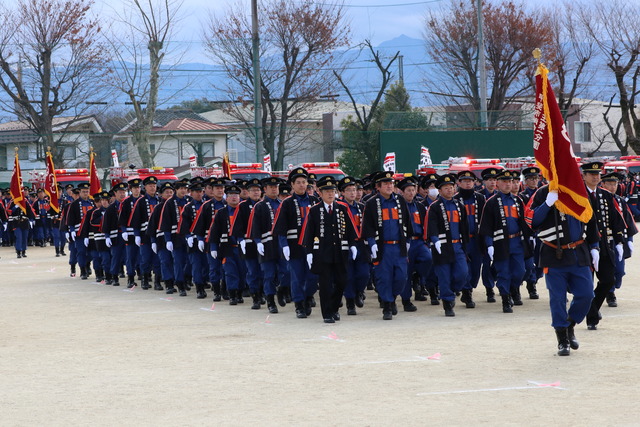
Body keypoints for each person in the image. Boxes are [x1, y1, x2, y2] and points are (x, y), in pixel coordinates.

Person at [526, 184, 599, 356]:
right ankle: (562, 339)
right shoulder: (543, 192)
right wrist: (547, 203)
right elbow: (532, 220)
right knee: (558, 299)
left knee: (586, 294)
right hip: (553, 254)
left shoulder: (577, 189)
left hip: (578, 253)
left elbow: (590, 218)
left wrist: (595, 246)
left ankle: (570, 324)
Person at [300, 176, 358, 323]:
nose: (330, 194)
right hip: (322, 254)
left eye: (332, 191)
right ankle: (327, 313)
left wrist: (353, 245)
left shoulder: (342, 208)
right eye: (327, 191)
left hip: (340, 252)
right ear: (320, 193)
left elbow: (350, 229)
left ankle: (334, 308)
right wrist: (309, 253)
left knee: (342, 281)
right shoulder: (314, 210)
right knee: (325, 284)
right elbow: (309, 232)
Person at [361, 171, 413, 320]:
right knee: (384, 278)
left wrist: (408, 240)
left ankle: (392, 297)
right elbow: (368, 226)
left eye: (391, 183)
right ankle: (387, 306)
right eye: (386, 184)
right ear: (378, 187)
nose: (389, 186)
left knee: (401, 277)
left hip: (398, 247)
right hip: (382, 247)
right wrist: (371, 243)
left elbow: (407, 223)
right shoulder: (371, 203)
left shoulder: (400, 201)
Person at [479, 170, 532, 313]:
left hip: (517, 242)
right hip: (500, 243)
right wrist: (489, 244)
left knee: (520, 271)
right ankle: (505, 299)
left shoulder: (518, 200)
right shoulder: (491, 203)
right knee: (504, 272)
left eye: (510, 181)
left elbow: (524, 222)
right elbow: (486, 226)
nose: (508, 184)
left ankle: (514, 288)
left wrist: (529, 237)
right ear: (498, 184)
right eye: (505, 182)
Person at [581, 162, 626, 330]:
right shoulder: (578, 195)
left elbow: (615, 220)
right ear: (584, 176)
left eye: (597, 174)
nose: (595, 177)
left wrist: (619, 240)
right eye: (591, 174)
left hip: (604, 246)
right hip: (584, 247)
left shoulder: (605, 195)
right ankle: (591, 317)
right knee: (586, 285)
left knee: (608, 280)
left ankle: (592, 308)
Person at [273, 167, 319, 318]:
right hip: (294, 246)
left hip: (312, 247)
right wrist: (284, 245)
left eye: (304, 182)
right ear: (292, 185)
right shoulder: (287, 203)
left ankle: (307, 297)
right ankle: (299, 304)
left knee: (313, 276)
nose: (301, 185)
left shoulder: (314, 201)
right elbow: (280, 228)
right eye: (298, 182)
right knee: (297, 276)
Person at [427, 173, 469, 317]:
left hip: (458, 246)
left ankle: (452, 291)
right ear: (440, 190)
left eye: (451, 187)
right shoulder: (435, 207)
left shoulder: (459, 205)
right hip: (442, 246)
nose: (449, 190)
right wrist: (435, 240)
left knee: (462, 273)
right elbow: (431, 225)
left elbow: (464, 226)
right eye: (446, 188)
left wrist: (466, 244)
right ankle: (447, 302)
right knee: (444, 275)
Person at [249, 177, 289, 313]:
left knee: (286, 271)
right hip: (267, 245)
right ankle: (270, 301)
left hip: (281, 244)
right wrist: (258, 242)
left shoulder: (283, 204)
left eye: (276, 186)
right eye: (271, 187)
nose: (274, 189)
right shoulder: (259, 206)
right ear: (264, 189)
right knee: (269, 274)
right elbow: (255, 227)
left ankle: (282, 290)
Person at [600, 172, 637, 308]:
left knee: (620, 270)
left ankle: (611, 286)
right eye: (609, 184)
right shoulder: (597, 200)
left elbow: (627, 221)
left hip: (617, 240)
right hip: (602, 240)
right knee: (604, 269)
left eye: (614, 184)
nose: (612, 187)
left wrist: (629, 240)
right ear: (602, 184)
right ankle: (610, 293)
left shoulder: (620, 201)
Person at [337, 176, 370, 315]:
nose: (352, 193)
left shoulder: (362, 207)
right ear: (342, 193)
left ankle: (359, 292)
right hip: (345, 245)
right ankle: (350, 302)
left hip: (361, 244)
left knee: (364, 273)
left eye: (354, 190)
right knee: (348, 275)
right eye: (349, 190)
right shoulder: (339, 208)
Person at [453, 170, 486, 308]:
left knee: (476, 267)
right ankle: (467, 292)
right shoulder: (454, 199)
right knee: (464, 268)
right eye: (465, 181)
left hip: (477, 238)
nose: (468, 184)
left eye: (470, 181)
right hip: (462, 239)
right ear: (459, 183)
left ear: (475, 183)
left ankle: (470, 286)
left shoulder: (480, 198)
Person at [398, 176, 431, 311]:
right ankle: (406, 300)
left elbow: (426, 224)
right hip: (405, 243)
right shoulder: (398, 206)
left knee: (428, 259)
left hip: (419, 242)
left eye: (413, 190)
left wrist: (427, 241)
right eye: (408, 190)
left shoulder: (420, 206)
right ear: (402, 192)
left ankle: (418, 277)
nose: (411, 193)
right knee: (406, 271)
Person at [192, 177, 227, 301]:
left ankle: (225, 290)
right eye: (217, 188)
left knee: (226, 268)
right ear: (212, 190)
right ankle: (217, 292)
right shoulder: (206, 206)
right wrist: (200, 239)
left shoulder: (227, 204)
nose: (220, 190)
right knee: (214, 267)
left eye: (221, 188)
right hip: (211, 241)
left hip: (226, 242)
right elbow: (200, 224)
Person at [232, 178, 265, 309]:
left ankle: (262, 293)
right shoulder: (243, 206)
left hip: (263, 243)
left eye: (258, 190)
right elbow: (238, 225)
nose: (256, 193)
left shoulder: (264, 205)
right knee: (252, 271)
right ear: (248, 192)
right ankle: (255, 296)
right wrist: (240, 240)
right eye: (253, 190)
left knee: (263, 271)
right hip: (248, 243)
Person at [209, 184, 244, 305]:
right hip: (227, 248)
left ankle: (240, 293)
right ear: (226, 198)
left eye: (236, 195)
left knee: (242, 271)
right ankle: (232, 295)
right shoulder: (221, 213)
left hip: (242, 248)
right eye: (230, 195)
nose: (234, 197)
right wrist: (213, 247)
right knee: (230, 272)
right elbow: (214, 232)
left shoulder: (244, 211)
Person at [129, 176, 162, 291]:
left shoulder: (160, 200)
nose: (152, 188)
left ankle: (157, 281)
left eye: (154, 186)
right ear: (145, 187)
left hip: (158, 235)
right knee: (146, 258)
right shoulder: (141, 201)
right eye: (150, 186)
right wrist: (137, 234)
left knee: (158, 259)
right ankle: (145, 280)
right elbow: (136, 219)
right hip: (145, 235)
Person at [158, 180, 190, 296]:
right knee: (178, 261)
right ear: (176, 190)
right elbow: (165, 222)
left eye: (185, 189)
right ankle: (180, 284)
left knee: (188, 261)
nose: (183, 191)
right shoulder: (170, 203)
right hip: (175, 237)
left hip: (188, 237)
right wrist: (168, 240)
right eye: (181, 188)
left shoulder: (188, 201)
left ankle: (185, 279)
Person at [179, 179, 207, 299]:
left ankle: (205, 282)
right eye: (196, 191)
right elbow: (184, 223)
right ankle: (199, 288)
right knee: (196, 265)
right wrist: (188, 236)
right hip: (193, 240)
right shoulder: (188, 207)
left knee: (207, 264)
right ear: (191, 192)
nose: (199, 194)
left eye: (200, 191)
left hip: (206, 239)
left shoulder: (207, 205)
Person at [66, 182, 94, 279]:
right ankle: (82, 270)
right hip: (79, 232)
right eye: (83, 192)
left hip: (91, 232)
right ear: (80, 192)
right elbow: (70, 218)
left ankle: (87, 264)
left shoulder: (92, 203)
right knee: (81, 251)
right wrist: (71, 230)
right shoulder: (74, 204)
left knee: (91, 252)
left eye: (87, 191)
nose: (85, 194)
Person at [102, 183, 128, 287]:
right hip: (116, 237)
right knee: (116, 257)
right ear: (115, 193)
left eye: (123, 192)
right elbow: (106, 224)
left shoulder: (128, 204)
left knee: (129, 257)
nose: (122, 194)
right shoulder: (111, 208)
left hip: (128, 235)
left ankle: (131, 276)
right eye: (120, 192)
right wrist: (107, 237)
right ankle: (115, 276)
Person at [120, 178, 142, 288]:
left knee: (142, 256)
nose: (136, 190)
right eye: (134, 188)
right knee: (131, 256)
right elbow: (122, 217)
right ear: (131, 189)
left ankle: (143, 276)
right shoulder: (126, 202)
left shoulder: (143, 200)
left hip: (142, 232)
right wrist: (123, 231)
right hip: (129, 233)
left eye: (138, 187)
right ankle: (130, 277)